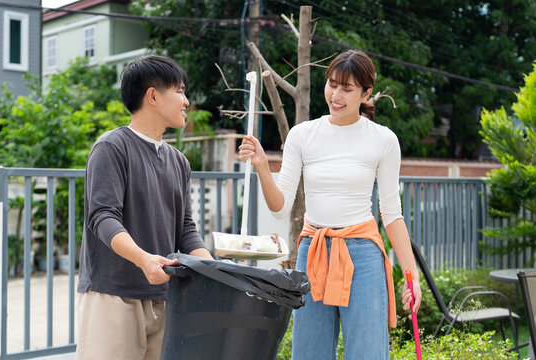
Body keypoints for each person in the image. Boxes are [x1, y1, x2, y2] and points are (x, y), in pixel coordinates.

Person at [239, 50, 422, 359]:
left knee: (367, 353)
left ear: (366, 93)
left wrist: (411, 276)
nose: (336, 95)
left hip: (363, 255)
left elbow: (391, 215)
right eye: (332, 84)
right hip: (313, 252)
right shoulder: (302, 135)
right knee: (310, 352)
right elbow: (279, 206)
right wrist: (260, 165)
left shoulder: (383, 140)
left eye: (347, 88)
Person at [76, 55, 213, 360]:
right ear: (152, 95)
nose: (186, 101)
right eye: (179, 91)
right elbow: (102, 216)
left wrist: (212, 270)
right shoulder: (111, 147)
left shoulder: (180, 162)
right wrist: (143, 260)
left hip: (166, 296)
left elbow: (185, 229)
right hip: (113, 295)